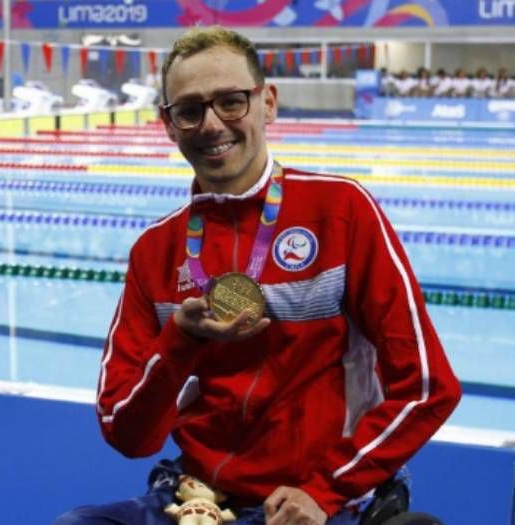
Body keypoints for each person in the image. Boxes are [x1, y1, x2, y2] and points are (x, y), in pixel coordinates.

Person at [55, 26, 461, 525]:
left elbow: (427, 386)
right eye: (189, 110)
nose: (210, 125)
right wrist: (181, 339)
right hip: (200, 496)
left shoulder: (340, 211)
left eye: (230, 102)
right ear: (168, 125)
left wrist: (327, 489)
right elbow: (126, 432)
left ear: (267, 103)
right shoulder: (154, 252)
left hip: (313, 500)